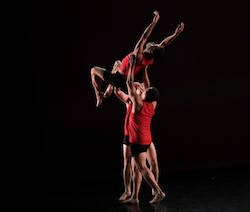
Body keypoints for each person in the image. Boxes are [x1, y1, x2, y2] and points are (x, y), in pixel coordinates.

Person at [114, 67, 159, 203]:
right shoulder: (132, 101)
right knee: (130, 164)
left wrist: (129, 79)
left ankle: (142, 193)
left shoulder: (138, 102)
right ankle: (130, 192)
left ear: (143, 94)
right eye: (139, 87)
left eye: (142, 89)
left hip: (139, 137)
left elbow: (140, 87)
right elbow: (119, 92)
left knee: (140, 166)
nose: (140, 87)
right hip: (130, 135)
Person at [125, 53, 165, 204]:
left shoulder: (138, 103)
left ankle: (159, 191)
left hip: (138, 140)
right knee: (146, 165)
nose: (142, 89)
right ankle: (137, 196)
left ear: (146, 95)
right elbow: (147, 87)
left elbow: (129, 82)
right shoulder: (152, 104)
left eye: (144, 91)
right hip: (147, 139)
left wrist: (133, 66)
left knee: (142, 168)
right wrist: (145, 69)